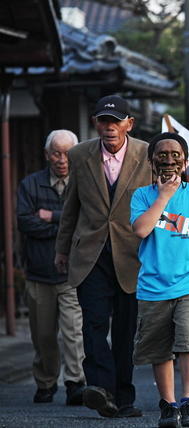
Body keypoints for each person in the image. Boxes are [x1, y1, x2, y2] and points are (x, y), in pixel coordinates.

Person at [55, 95, 152, 418]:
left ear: (129, 124)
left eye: (115, 121)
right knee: (94, 323)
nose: (109, 128)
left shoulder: (146, 153)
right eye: (103, 121)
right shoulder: (80, 154)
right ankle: (100, 388)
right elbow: (71, 207)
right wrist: (62, 249)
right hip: (90, 252)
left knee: (125, 329)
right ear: (96, 123)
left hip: (133, 254)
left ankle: (124, 397)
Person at [130, 132, 189, 428]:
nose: (169, 160)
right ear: (151, 161)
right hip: (152, 285)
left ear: (185, 161)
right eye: (162, 154)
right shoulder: (141, 196)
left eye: (175, 154)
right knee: (159, 348)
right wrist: (164, 197)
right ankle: (168, 404)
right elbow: (141, 230)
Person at [17, 129, 85, 405]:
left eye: (67, 153)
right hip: (39, 272)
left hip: (72, 272)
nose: (61, 159)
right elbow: (24, 222)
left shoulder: (84, 183)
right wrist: (64, 226)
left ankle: (75, 383)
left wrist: (51, 218)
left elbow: (85, 221)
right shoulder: (30, 184)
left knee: (73, 332)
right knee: (43, 335)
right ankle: (45, 383)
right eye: (56, 153)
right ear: (47, 155)